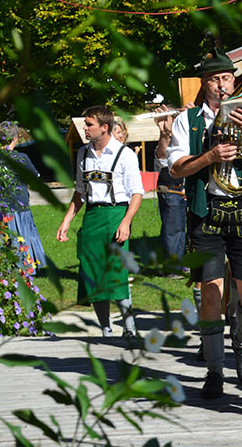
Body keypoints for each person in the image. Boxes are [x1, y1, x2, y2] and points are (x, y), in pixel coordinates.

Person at [168, 48, 242, 399]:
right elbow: (176, 168)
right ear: (205, 84)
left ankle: (241, 343)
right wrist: (211, 155)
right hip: (208, 211)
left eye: (226, 78)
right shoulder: (189, 120)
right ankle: (214, 371)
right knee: (210, 294)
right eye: (214, 79)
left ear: (235, 81)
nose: (221, 86)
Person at [56, 106, 142, 338]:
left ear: (104, 128)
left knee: (117, 273)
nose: (84, 128)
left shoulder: (125, 155)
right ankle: (106, 329)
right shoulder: (83, 154)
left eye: (89, 124)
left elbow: (137, 194)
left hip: (116, 215)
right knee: (92, 273)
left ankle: (129, 328)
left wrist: (126, 223)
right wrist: (67, 221)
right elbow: (80, 192)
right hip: (92, 216)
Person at [0, 121, 47, 274]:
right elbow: (34, 178)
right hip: (19, 206)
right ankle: (24, 270)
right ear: (16, 138)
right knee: (22, 239)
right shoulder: (21, 158)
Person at [152, 105, 188, 261]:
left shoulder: (186, 135)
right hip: (172, 190)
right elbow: (163, 158)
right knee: (173, 229)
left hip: (188, 189)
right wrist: (165, 133)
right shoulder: (166, 139)